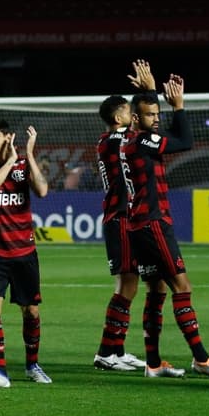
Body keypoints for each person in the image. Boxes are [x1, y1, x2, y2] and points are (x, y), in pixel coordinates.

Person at [123, 75, 209, 380]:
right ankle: (201, 359)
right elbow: (185, 141)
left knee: (156, 290)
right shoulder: (144, 140)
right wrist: (179, 106)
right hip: (153, 223)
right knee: (182, 288)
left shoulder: (131, 141)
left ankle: (154, 362)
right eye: (151, 115)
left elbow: (167, 134)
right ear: (135, 118)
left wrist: (150, 91)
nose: (157, 120)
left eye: (158, 115)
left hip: (137, 225)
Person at [0, 119, 51, 388]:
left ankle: (32, 365)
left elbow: (42, 190)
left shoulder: (22, 165)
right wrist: (10, 161)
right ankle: (0, 372)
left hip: (24, 252)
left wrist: (27, 156)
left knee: (31, 312)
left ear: (8, 137)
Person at [91, 59, 155, 372]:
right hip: (120, 218)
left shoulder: (112, 141)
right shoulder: (115, 140)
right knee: (126, 284)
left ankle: (116, 349)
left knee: (130, 282)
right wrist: (151, 94)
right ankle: (107, 351)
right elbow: (145, 136)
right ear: (119, 117)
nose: (135, 116)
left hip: (123, 217)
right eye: (131, 111)